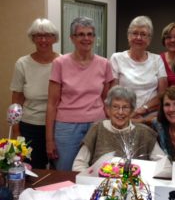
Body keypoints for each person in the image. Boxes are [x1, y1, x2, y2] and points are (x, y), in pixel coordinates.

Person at [46, 16, 114, 171]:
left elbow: (106, 101)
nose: (86, 38)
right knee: (66, 171)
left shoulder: (105, 64)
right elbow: (52, 103)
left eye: (90, 34)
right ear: (72, 38)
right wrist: (49, 140)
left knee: (98, 171)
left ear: (94, 38)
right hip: (67, 128)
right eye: (81, 34)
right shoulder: (60, 63)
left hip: (97, 126)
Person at [72, 86, 165, 171]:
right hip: (100, 185)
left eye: (125, 107)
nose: (120, 112)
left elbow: (165, 167)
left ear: (132, 111)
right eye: (115, 107)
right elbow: (78, 164)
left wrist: (144, 175)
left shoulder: (145, 133)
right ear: (108, 109)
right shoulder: (97, 129)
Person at [10, 18, 60, 169]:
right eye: (38, 35)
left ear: (54, 38)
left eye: (48, 35)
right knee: (32, 169)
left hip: (59, 125)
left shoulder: (63, 62)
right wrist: (16, 131)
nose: (43, 40)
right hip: (30, 126)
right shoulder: (22, 64)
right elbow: (16, 101)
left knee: (59, 169)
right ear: (32, 38)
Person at [110, 15, 167, 119]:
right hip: (123, 114)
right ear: (128, 36)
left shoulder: (157, 60)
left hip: (150, 114)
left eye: (143, 34)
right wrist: (127, 111)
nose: (139, 38)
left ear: (149, 39)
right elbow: (113, 92)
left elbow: (162, 93)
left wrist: (143, 109)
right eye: (135, 33)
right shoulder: (117, 58)